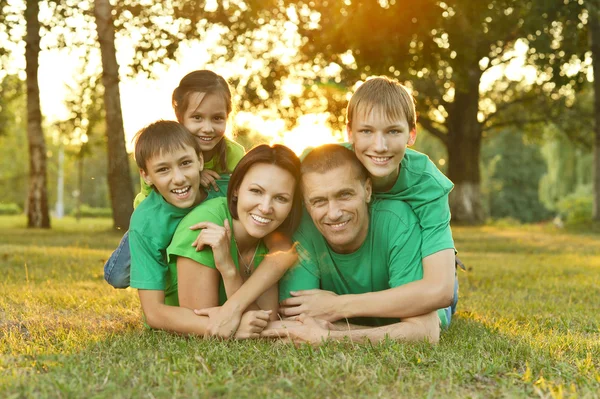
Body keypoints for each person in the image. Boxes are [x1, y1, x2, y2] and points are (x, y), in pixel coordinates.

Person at [282, 76, 458, 325]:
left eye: (393, 131)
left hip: (418, 262)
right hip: (363, 264)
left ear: (412, 133)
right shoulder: (324, 164)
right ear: (349, 132)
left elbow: (439, 290)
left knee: (438, 310)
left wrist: (338, 306)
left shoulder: (427, 184)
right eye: (366, 131)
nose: (380, 146)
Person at [263, 145, 441, 344]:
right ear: (305, 203)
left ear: (367, 190)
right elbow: (296, 323)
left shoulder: (397, 222)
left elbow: (426, 332)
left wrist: (330, 334)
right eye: (319, 201)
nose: (334, 213)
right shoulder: (302, 231)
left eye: (344, 195)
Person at [104, 70, 245, 289]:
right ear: (180, 116)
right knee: (118, 277)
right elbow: (156, 197)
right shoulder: (162, 149)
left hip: (199, 215)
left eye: (217, 118)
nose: (207, 128)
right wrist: (196, 176)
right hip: (158, 222)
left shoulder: (233, 153)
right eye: (197, 118)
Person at [167, 144, 303, 336]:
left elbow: (263, 320)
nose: (265, 208)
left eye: (281, 198)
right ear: (237, 188)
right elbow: (205, 324)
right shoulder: (206, 225)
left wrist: (229, 271)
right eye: (256, 191)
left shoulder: (272, 241)